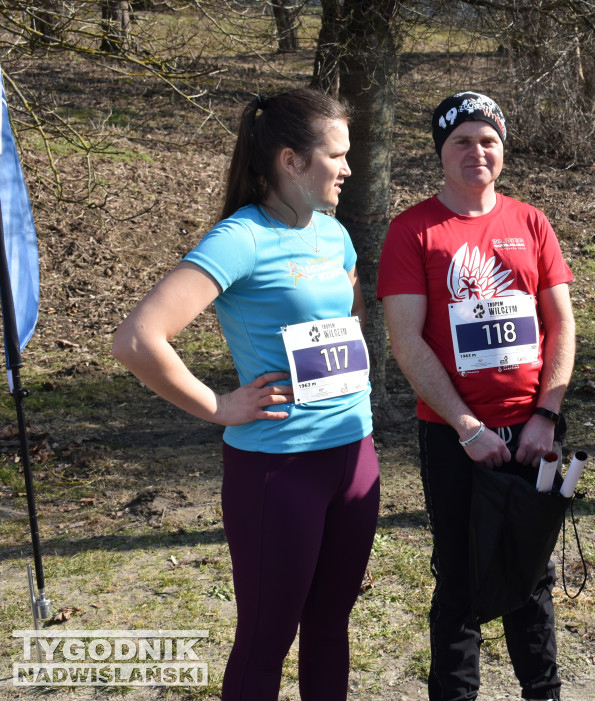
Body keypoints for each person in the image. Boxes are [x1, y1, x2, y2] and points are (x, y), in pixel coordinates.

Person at [112, 87, 379, 701]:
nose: (347, 167)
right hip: (277, 470)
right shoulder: (242, 238)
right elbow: (137, 338)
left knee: (331, 628)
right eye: (335, 155)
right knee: (266, 639)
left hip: (355, 456)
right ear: (290, 160)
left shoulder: (334, 235)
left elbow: (351, 317)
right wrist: (216, 405)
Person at [378, 91, 575, 701]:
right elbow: (406, 341)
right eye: (462, 140)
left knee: (532, 572)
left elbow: (562, 324)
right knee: (460, 578)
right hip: (454, 437)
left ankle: (544, 692)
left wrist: (545, 416)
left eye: (488, 140)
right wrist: (466, 427)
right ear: (441, 151)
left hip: (535, 430)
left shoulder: (530, 221)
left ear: (503, 150)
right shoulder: (413, 230)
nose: (477, 152)